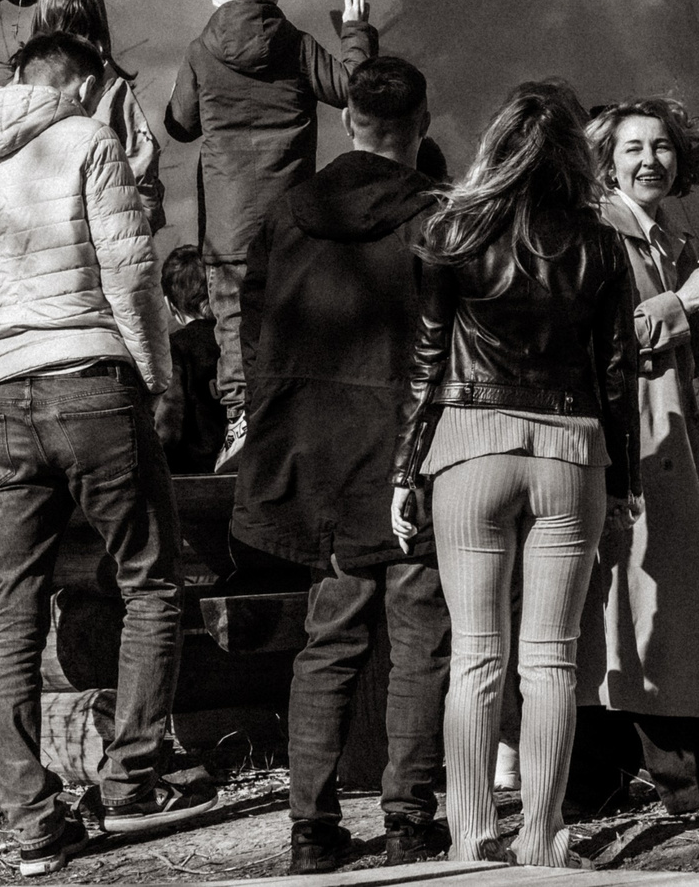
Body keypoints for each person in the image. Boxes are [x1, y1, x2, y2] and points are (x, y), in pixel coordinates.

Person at [0, 32, 217, 875]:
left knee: (13, 606)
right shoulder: (87, 140)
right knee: (151, 580)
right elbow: (131, 273)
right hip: (92, 380)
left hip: (1, 400)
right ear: (82, 83)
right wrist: (157, 378)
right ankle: (129, 781)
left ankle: (32, 820)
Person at [387, 80, 639, 865]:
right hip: (571, 449)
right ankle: (543, 837)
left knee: (476, 656)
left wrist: (406, 468)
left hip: (469, 444)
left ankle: (470, 835)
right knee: (551, 658)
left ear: (495, 144)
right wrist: (625, 479)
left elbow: (427, 360)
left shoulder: (451, 231)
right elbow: (618, 371)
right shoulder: (601, 244)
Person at [232, 57, 453, 874]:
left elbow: (254, 328)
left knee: (327, 638)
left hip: (311, 452)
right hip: (407, 452)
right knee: (419, 636)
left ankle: (310, 828)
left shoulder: (288, 213)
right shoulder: (436, 219)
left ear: (346, 120)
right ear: (421, 123)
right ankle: (409, 818)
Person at [568, 98, 699, 817]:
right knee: (647, 598)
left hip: (668, 437)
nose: (650, 159)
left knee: (642, 600)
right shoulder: (599, 232)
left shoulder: (671, 239)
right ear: (607, 162)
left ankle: (597, 775)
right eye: (633, 148)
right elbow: (599, 341)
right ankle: (694, 774)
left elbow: (693, 352)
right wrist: (681, 303)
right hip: (631, 441)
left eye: (662, 146)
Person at [163, 0, 375, 465]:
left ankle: (241, 418)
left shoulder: (200, 52)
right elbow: (353, 90)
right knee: (293, 319)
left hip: (229, 225)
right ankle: (294, 420)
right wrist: (354, 34)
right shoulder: (297, 46)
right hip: (290, 221)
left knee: (232, 322)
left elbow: (180, 125)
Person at [30, 0, 165, 233]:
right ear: (97, 23)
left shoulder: (20, 91)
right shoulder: (112, 91)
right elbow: (141, 168)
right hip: (101, 232)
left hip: (36, 232)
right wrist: (144, 226)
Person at [155, 245, 226, 474]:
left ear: (169, 305)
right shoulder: (237, 339)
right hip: (245, 469)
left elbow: (169, 425)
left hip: (195, 475)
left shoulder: (176, 348)